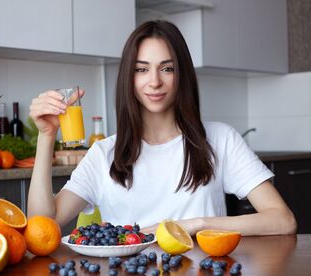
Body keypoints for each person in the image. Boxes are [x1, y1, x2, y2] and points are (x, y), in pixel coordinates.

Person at [27, 20, 297, 236]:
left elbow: (283, 221)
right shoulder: (103, 154)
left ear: (182, 75)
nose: (154, 81)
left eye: (167, 69)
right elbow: (41, 226)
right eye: (141, 70)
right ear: (128, 79)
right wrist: (46, 135)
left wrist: (197, 225)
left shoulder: (220, 139)